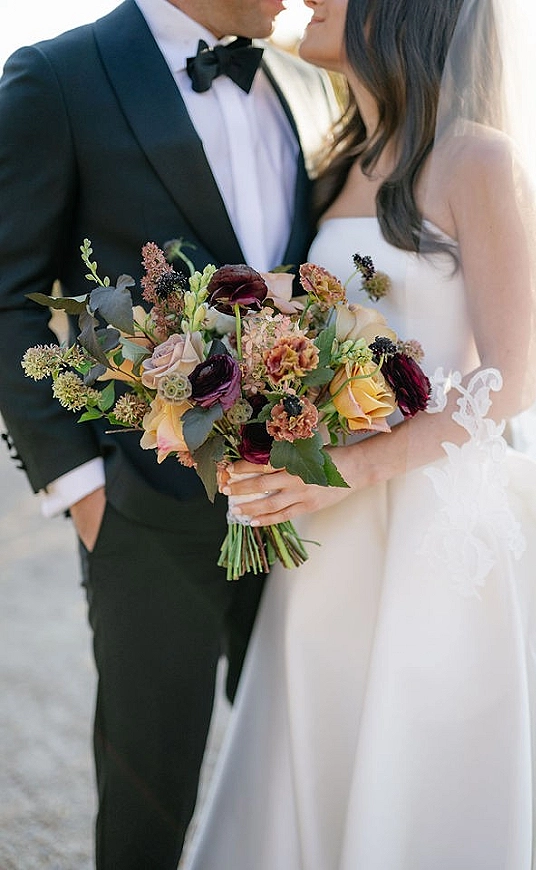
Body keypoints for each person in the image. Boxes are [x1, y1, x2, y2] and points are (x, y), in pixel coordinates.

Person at [182, 0, 536, 867]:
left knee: (413, 772)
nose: (312, 0)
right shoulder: (336, 164)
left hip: (427, 534)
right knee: (314, 751)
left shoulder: (479, 159)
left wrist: (350, 471)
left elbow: (506, 378)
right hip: (324, 530)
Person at [0, 2, 337, 868]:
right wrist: (80, 489)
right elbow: (11, 292)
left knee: (314, 778)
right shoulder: (59, 76)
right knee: (148, 808)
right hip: (145, 514)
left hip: (308, 515)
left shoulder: (307, 83)